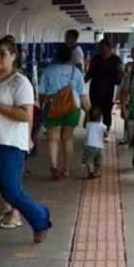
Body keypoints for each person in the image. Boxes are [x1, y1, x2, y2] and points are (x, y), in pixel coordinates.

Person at [0, 36, 51, 257]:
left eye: (2, 54)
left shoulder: (20, 83)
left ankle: (40, 218)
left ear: (13, 56)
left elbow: (25, 115)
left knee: (11, 191)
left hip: (10, 144)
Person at [39, 45, 90, 180]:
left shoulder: (49, 70)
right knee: (68, 138)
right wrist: (89, 112)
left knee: (53, 138)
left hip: (53, 106)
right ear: (71, 57)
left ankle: (54, 166)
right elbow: (83, 95)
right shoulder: (76, 72)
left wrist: (41, 105)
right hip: (72, 108)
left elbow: (42, 92)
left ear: (56, 55)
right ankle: (66, 169)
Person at [86, 39, 123, 135]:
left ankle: (106, 131)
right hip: (95, 90)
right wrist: (82, 81)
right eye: (99, 47)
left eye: (103, 47)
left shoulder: (116, 60)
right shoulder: (95, 59)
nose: (100, 49)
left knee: (107, 112)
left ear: (109, 48)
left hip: (108, 91)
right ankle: (94, 131)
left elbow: (119, 77)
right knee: (94, 112)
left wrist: (119, 80)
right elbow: (89, 73)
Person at [83, 106, 106, 179]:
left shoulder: (88, 124)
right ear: (101, 117)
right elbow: (106, 134)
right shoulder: (103, 126)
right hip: (99, 147)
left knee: (89, 160)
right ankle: (97, 172)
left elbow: (86, 124)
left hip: (89, 146)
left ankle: (90, 172)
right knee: (98, 161)